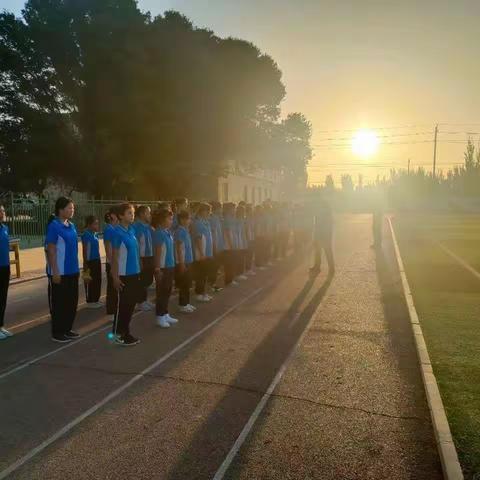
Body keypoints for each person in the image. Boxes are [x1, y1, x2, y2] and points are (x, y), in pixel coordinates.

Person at [45, 197, 80, 343]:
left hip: (73, 271)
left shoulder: (71, 226)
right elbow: (51, 250)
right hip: (60, 272)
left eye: (73, 208)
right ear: (60, 210)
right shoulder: (54, 226)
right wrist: (55, 271)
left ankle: (67, 329)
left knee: (72, 302)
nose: (72, 210)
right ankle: (57, 332)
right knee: (59, 303)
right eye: (69, 208)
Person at [110, 203, 142, 346]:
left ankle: (126, 332)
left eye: (133, 212)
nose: (132, 215)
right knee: (123, 305)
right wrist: (115, 277)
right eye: (129, 213)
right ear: (121, 216)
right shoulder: (117, 233)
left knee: (130, 305)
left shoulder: (131, 231)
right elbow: (114, 257)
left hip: (134, 274)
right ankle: (117, 335)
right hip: (123, 275)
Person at [153, 208, 178, 328]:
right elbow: (158, 251)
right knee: (162, 292)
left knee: (168, 291)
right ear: (162, 219)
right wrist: (157, 269)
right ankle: (159, 316)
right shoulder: (158, 233)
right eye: (169, 219)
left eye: (172, 219)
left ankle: (165, 313)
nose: (171, 221)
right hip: (163, 268)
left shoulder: (167, 232)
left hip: (170, 266)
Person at [133, 205, 155, 311]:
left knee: (148, 279)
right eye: (147, 213)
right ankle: (140, 302)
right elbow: (136, 244)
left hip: (150, 256)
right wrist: (139, 259)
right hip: (142, 257)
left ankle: (145, 299)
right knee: (142, 280)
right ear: (141, 214)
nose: (149, 215)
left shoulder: (148, 227)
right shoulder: (136, 227)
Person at [174, 210, 196, 313]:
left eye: (190, 219)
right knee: (184, 284)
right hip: (183, 262)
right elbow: (179, 247)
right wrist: (181, 263)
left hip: (188, 260)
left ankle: (186, 303)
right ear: (182, 220)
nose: (189, 221)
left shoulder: (185, 230)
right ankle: (182, 304)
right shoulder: (180, 231)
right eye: (188, 219)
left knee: (187, 283)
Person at [192, 203, 214, 302]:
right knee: (201, 273)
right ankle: (199, 293)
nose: (209, 213)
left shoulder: (206, 222)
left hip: (208, 252)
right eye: (207, 211)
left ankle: (204, 292)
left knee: (205, 273)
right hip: (202, 253)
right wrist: (201, 253)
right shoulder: (198, 223)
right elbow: (198, 238)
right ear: (202, 211)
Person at [81, 215, 103, 308]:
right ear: (89, 225)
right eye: (95, 224)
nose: (97, 226)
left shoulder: (95, 234)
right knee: (90, 281)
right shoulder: (86, 234)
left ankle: (96, 300)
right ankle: (90, 301)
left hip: (97, 260)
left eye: (97, 223)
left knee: (98, 280)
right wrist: (85, 264)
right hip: (90, 262)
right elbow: (85, 250)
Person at [311, 197, 335, 276]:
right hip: (321, 234)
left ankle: (331, 268)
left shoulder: (326, 214)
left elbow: (326, 226)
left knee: (327, 251)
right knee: (319, 251)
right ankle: (318, 266)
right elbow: (317, 225)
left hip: (324, 234)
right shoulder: (322, 213)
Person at [103, 208, 119, 321]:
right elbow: (108, 249)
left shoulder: (116, 228)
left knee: (116, 287)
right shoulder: (109, 229)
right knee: (112, 288)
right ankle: (111, 312)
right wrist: (112, 263)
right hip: (112, 263)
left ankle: (115, 310)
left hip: (117, 262)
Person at [0, 205, 12, 340]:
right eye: (0, 211)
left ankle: (1, 326)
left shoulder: (5, 228)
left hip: (5, 267)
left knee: (3, 298)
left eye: (3, 210)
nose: (2, 213)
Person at [207, 201, 224, 292]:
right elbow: (213, 233)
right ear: (216, 208)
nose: (221, 210)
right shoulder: (212, 218)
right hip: (215, 246)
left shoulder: (217, 218)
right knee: (213, 266)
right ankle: (211, 284)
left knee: (216, 266)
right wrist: (214, 246)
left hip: (218, 245)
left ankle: (212, 283)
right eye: (220, 208)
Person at [222, 203, 238, 286]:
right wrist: (231, 244)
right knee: (229, 263)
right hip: (227, 245)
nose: (234, 210)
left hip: (230, 244)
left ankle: (230, 279)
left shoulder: (231, 218)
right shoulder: (227, 219)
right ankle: (228, 280)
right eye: (233, 209)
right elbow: (228, 232)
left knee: (231, 263)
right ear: (229, 209)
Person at [235, 204, 248, 281]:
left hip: (243, 240)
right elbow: (237, 232)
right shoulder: (237, 220)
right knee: (239, 258)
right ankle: (238, 273)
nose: (243, 213)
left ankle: (241, 273)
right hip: (239, 241)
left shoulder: (243, 220)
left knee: (242, 257)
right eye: (242, 211)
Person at [245, 204, 256, 276]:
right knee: (248, 255)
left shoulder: (252, 219)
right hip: (248, 239)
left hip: (252, 238)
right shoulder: (246, 219)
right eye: (251, 210)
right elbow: (246, 230)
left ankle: (249, 269)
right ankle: (247, 269)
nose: (252, 212)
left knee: (251, 254)